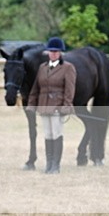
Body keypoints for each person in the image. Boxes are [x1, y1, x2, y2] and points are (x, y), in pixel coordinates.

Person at [26, 36, 76, 174]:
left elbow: (69, 89)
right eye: (51, 51)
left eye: (56, 51)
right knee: (47, 134)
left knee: (56, 134)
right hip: (44, 106)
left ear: (60, 53)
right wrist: (31, 104)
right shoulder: (42, 67)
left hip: (57, 106)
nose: (53, 53)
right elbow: (36, 87)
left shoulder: (67, 68)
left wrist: (66, 105)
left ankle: (56, 165)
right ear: (48, 52)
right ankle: (48, 163)